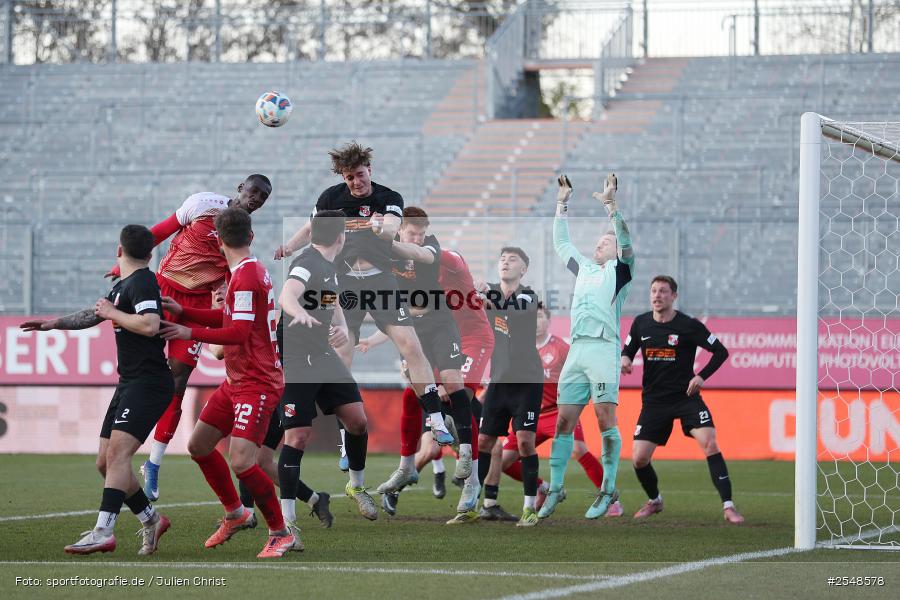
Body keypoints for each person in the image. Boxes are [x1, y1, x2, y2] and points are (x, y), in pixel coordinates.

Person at [105, 175, 272, 502]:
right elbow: (160, 232)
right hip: (161, 290)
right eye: (253, 191)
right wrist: (121, 264)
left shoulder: (241, 237)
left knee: (177, 378)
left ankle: (154, 462)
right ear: (240, 188)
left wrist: (221, 299)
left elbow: (230, 277)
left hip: (193, 304)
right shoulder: (203, 203)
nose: (256, 199)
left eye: (262, 197)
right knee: (142, 366)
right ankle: (121, 442)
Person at [276, 143, 452, 448]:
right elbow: (311, 228)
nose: (356, 182)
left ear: (369, 169)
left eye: (360, 175)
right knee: (342, 352)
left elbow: (392, 228)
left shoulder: (388, 197)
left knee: (411, 345)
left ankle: (435, 419)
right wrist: (290, 247)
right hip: (344, 284)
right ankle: (346, 435)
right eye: (349, 178)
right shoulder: (331, 198)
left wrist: (379, 227)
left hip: (381, 280)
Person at [23, 225, 173, 555]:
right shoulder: (123, 286)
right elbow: (96, 314)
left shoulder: (145, 281)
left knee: (119, 456)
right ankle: (152, 519)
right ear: (149, 253)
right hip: (130, 381)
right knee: (106, 463)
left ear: (119, 251)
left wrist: (112, 312)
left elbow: (149, 325)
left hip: (149, 383)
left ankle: (103, 531)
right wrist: (55, 324)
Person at [159, 207, 295, 558]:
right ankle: (236, 512)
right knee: (200, 445)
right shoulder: (244, 272)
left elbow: (238, 332)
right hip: (237, 380)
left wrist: (188, 330)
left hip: (258, 382)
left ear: (218, 241)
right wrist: (182, 310)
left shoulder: (247, 276)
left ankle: (281, 532)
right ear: (250, 236)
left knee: (242, 461)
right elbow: (229, 316)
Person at [539, 173, 633, 520]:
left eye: (605, 242)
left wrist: (612, 210)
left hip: (603, 349)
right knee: (564, 421)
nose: (600, 244)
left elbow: (625, 243)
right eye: (598, 241)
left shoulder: (620, 271)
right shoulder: (585, 270)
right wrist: (561, 203)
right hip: (577, 351)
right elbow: (562, 244)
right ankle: (556, 488)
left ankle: (607, 488)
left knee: (605, 416)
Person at [278, 209, 378, 528]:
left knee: (358, 421)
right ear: (341, 237)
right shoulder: (308, 263)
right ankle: (287, 522)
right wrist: (300, 314)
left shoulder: (328, 267)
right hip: (298, 359)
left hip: (322, 354)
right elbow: (287, 295)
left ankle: (356, 486)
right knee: (296, 439)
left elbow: (331, 302)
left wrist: (341, 327)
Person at [481, 303, 622, 520]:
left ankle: (611, 498)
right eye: (532, 318)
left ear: (548, 321)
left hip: (559, 411)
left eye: (540, 317)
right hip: (529, 414)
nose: (536, 322)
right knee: (504, 461)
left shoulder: (561, 348)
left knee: (578, 449)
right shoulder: (519, 347)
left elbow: (583, 372)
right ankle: (542, 487)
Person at [622, 275, 744, 524]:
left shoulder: (689, 325)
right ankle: (655, 501)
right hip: (655, 402)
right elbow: (628, 348)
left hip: (686, 397)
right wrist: (625, 359)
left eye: (663, 291)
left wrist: (701, 376)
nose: (657, 295)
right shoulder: (641, 323)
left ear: (674, 296)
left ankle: (729, 506)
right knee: (639, 457)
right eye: (654, 291)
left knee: (709, 442)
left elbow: (721, 352)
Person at [464, 247, 543, 527]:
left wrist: (486, 298)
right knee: (484, 441)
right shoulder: (490, 292)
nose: (505, 262)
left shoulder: (528, 295)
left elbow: (515, 311)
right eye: (502, 259)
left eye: (512, 260)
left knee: (524, 441)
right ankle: (472, 504)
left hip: (527, 382)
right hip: (498, 381)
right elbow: (466, 305)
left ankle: (529, 508)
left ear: (523, 269)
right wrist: (471, 292)